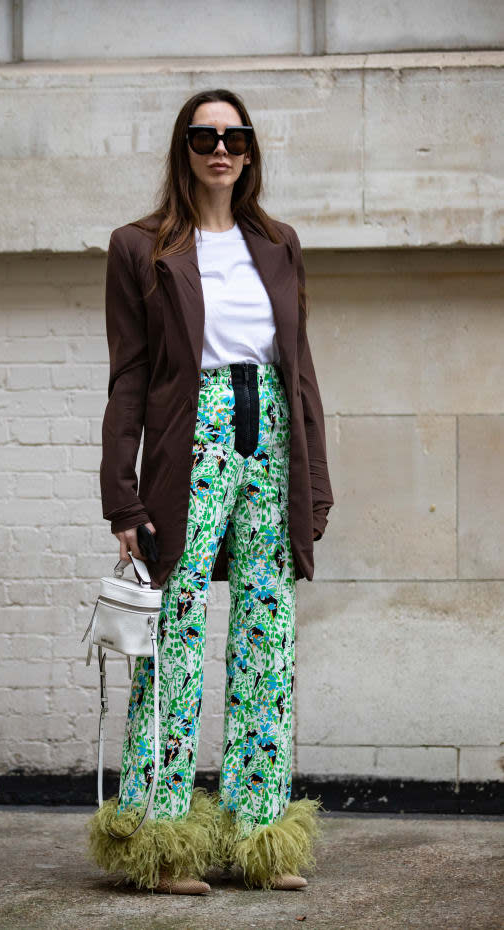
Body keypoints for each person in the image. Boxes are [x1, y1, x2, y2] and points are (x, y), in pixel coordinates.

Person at [86, 88, 333, 895]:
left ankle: (258, 836)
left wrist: (316, 482)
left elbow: (300, 372)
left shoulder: (279, 243)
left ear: (251, 151)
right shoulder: (140, 247)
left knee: (269, 633)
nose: (219, 149)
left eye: (233, 136)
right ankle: (159, 843)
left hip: (272, 444)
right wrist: (122, 497)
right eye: (203, 136)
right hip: (192, 445)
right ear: (183, 150)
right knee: (178, 638)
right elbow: (128, 377)